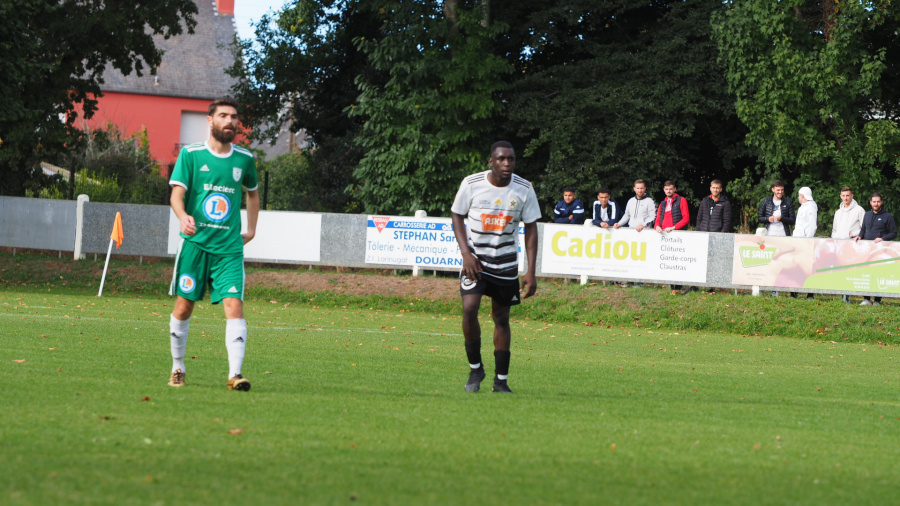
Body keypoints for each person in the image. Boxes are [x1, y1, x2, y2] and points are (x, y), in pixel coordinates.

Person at [166, 97, 260, 391]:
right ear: (210, 120)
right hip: (194, 246)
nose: (230, 121)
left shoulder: (244, 159)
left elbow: (253, 194)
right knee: (183, 308)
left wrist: (252, 230)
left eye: (234, 116)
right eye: (223, 115)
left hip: (229, 249)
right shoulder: (191, 155)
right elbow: (176, 195)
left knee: (234, 306)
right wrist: (182, 217)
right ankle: (178, 367)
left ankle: (235, 375)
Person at [451, 141, 540, 394]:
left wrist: (531, 270)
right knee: (469, 309)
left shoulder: (524, 189)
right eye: (501, 159)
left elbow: (531, 227)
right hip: (476, 262)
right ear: (491, 161)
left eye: (510, 159)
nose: (506, 164)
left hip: (506, 266)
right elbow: (456, 214)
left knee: (501, 319)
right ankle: (476, 368)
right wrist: (466, 253)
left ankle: (501, 381)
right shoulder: (471, 184)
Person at [854, 192, 897, 306]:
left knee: (879, 274)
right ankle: (867, 299)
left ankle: (877, 300)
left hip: (881, 251)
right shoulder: (867, 215)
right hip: (867, 250)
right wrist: (859, 236)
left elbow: (894, 233)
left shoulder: (888, 216)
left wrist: (883, 238)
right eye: (874, 202)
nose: (876, 204)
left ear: (881, 202)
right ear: (870, 202)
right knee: (867, 273)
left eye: (878, 201)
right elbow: (863, 229)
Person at [758, 180, 795, 297]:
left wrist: (781, 218)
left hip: (783, 235)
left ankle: (785, 289)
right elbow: (759, 217)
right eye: (778, 190)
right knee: (770, 262)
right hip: (768, 235)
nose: (780, 192)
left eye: (782, 190)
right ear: (773, 189)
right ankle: (769, 287)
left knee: (784, 262)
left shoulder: (788, 203)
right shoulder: (766, 201)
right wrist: (767, 219)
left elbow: (793, 220)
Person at [654, 181, 690, 292]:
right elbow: (658, 220)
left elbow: (686, 218)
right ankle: (670, 284)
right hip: (664, 235)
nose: (668, 191)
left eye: (670, 189)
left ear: (675, 189)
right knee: (668, 260)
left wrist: (674, 227)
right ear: (664, 190)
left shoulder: (681, 200)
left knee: (678, 260)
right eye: (666, 189)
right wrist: (657, 227)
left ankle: (679, 285)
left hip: (677, 234)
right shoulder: (663, 203)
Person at [831, 186, 865, 302]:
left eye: (848, 195)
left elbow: (864, 228)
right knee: (840, 270)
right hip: (839, 245)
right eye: (843, 196)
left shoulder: (859, 210)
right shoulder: (838, 212)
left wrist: (854, 234)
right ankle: (842, 295)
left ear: (852, 196)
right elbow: (834, 229)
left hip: (853, 245)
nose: (845, 198)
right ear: (840, 196)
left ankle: (848, 296)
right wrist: (835, 240)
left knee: (850, 271)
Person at [792, 186, 818, 300]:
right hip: (798, 241)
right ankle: (794, 292)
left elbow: (812, 225)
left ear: (802, 195)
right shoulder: (803, 207)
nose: (798, 197)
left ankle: (809, 294)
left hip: (805, 242)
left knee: (807, 268)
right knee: (796, 267)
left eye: (799, 195)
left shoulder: (811, 207)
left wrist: (808, 240)